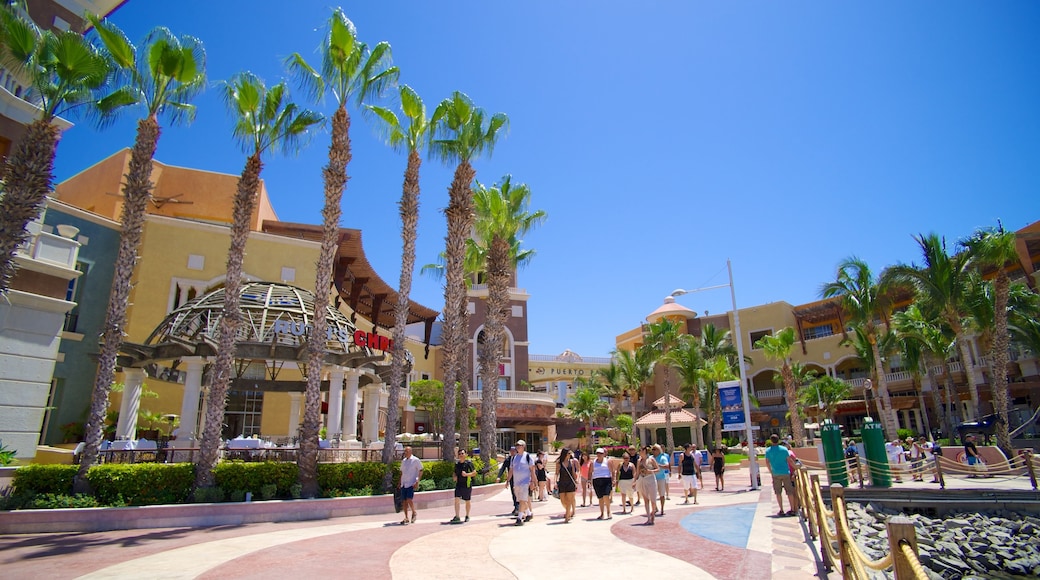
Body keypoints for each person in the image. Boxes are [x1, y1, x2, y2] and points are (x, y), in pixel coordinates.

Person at [765, 434, 797, 517]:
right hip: (785, 472)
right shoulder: (784, 449)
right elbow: (789, 460)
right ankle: (792, 509)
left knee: (778, 492)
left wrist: (771, 471)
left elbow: (767, 462)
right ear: (778, 440)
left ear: (771, 441)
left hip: (775, 473)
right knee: (789, 492)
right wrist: (796, 468)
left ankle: (781, 510)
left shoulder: (768, 451)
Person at [509, 439, 537, 525]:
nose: (517, 447)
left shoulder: (528, 457)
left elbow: (532, 470)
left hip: (525, 482)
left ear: (523, 447)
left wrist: (533, 481)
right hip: (516, 482)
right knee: (522, 500)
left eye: (519, 445)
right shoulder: (514, 458)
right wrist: (507, 480)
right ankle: (529, 513)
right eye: (517, 445)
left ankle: (519, 518)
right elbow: (511, 470)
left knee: (522, 500)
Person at [634, 446, 659, 525]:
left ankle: (653, 515)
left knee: (653, 500)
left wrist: (650, 471)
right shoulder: (639, 461)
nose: (639, 452)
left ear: (645, 451)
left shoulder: (651, 459)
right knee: (645, 499)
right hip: (642, 479)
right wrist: (634, 481)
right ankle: (648, 518)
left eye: (641, 450)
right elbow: (637, 472)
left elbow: (658, 469)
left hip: (651, 479)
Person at [399, 446, 423, 525]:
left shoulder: (415, 460)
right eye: (405, 451)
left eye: (407, 451)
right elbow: (402, 472)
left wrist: (417, 480)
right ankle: (406, 517)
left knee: (409, 499)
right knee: (404, 501)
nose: (405, 453)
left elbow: (421, 470)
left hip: (411, 483)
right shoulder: (404, 461)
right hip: (404, 483)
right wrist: (399, 482)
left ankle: (414, 512)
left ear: (410, 452)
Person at [451, 449, 476, 523]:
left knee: (467, 501)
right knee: (456, 499)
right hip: (459, 484)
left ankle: (467, 515)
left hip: (467, 484)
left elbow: (474, 473)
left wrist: (467, 474)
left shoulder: (468, 463)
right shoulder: (457, 464)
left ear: (465, 454)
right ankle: (457, 516)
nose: (461, 455)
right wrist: (454, 477)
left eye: (462, 453)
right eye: (459, 454)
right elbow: (455, 472)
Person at [590, 447, 615, 520]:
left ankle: (608, 512)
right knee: (600, 497)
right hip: (596, 480)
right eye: (597, 453)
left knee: (606, 496)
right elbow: (590, 471)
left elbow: (612, 471)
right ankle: (602, 513)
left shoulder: (607, 461)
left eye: (601, 453)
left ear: (604, 454)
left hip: (606, 479)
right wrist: (589, 480)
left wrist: (613, 479)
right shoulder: (593, 462)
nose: (599, 455)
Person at [555, 448, 579, 523]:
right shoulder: (559, 463)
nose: (570, 455)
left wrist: (576, 480)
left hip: (570, 482)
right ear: (565, 454)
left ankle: (567, 516)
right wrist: (555, 482)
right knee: (562, 500)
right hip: (562, 482)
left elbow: (573, 472)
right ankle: (568, 511)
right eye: (568, 453)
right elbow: (556, 473)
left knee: (569, 500)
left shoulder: (571, 462)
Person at [497, 446, 519, 515]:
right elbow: (503, 468)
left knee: (518, 493)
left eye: (514, 451)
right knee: (513, 493)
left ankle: (519, 507)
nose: (512, 452)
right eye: (511, 451)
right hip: (512, 479)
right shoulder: (508, 460)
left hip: (519, 478)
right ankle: (516, 507)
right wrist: (499, 476)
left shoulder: (519, 459)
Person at [652, 443, 669, 514]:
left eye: (654, 449)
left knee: (662, 494)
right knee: (652, 494)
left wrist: (658, 466)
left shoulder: (662, 457)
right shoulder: (651, 458)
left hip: (661, 478)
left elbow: (667, 466)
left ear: (659, 450)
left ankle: (662, 509)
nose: (653, 451)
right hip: (652, 478)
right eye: (652, 449)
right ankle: (655, 508)